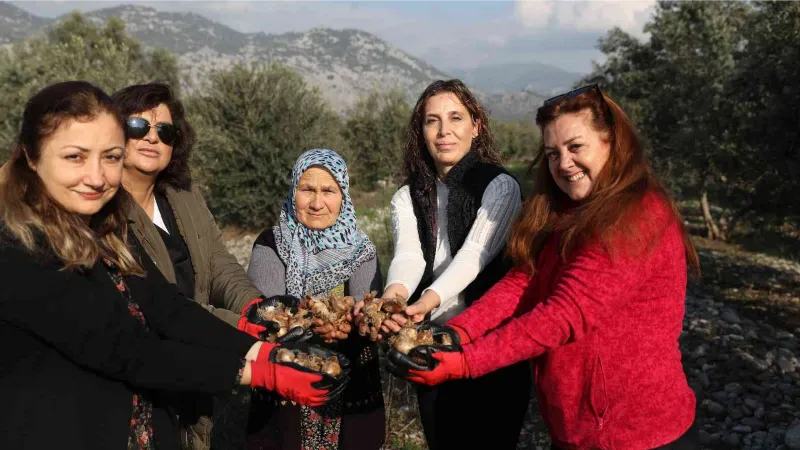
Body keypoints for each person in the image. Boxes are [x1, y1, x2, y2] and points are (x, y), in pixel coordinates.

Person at [0, 81, 342, 450]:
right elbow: (128, 350)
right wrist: (261, 373)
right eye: (75, 157)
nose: (96, 176)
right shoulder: (17, 246)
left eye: (110, 157)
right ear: (32, 157)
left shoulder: (102, 228)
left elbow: (167, 307)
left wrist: (263, 349)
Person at [389, 84, 701, 449]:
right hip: (579, 428)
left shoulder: (635, 218)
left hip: (636, 432)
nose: (563, 163)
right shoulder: (567, 211)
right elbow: (523, 282)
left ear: (612, 142)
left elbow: (563, 314)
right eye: (552, 153)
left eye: (575, 147)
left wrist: (465, 362)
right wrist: (455, 334)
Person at [361, 79, 531, 450]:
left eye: (456, 118)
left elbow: (475, 256)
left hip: (491, 341)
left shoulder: (499, 186)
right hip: (432, 340)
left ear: (476, 125)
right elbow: (409, 256)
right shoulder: (407, 195)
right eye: (432, 120)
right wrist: (394, 298)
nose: (444, 131)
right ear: (420, 131)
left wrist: (425, 301)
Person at [112, 82, 267, 449]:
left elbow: (217, 260)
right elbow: (162, 308)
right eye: (138, 127)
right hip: (145, 375)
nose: (152, 138)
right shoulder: (106, 211)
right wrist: (245, 332)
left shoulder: (183, 195)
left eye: (164, 131)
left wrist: (256, 308)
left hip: (199, 361)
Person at [245, 149, 385, 450]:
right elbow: (270, 312)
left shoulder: (361, 250)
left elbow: (366, 306)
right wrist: (314, 321)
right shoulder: (271, 243)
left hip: (349, 381)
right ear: (294, 190)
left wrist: (351, 323)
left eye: (328, 191)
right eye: (307, 189)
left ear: (343, 195)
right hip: (287, 379)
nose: (317, 202)